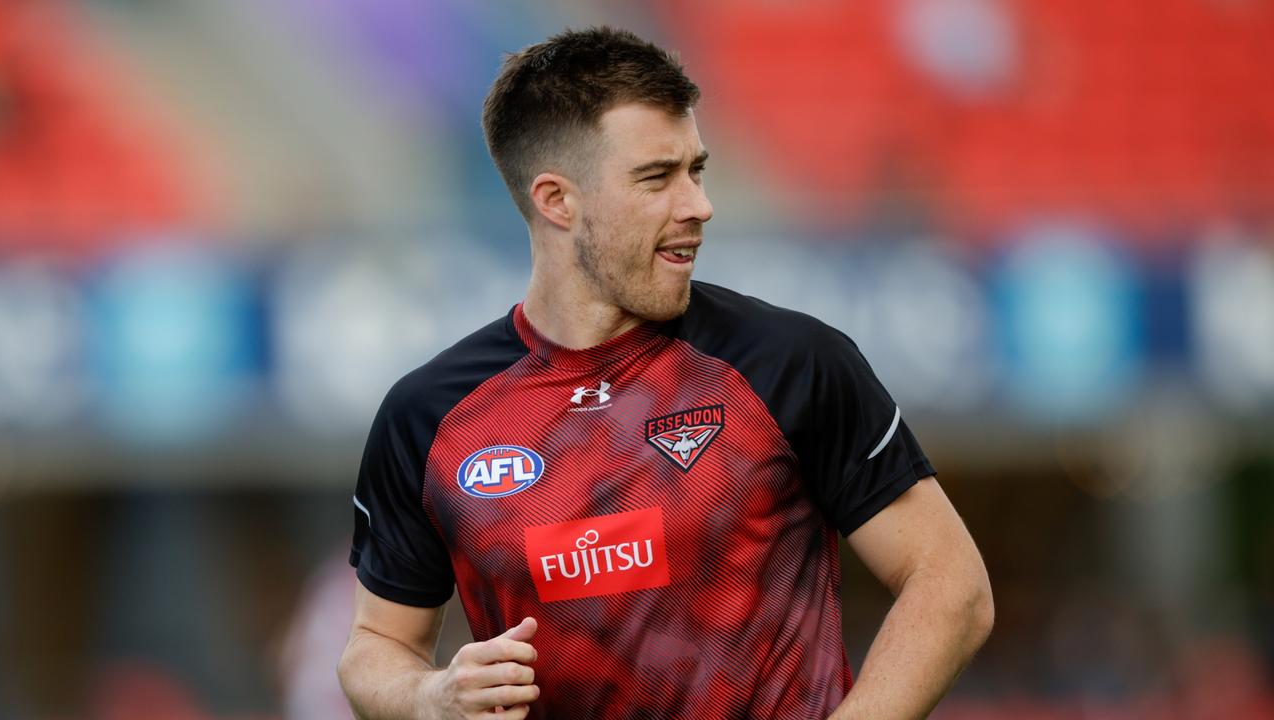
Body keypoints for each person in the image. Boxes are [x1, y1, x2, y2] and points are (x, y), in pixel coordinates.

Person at [338, 26, 993, 720]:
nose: (697, 206)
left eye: (697, 170)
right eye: (657, 178)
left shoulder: (788, 363)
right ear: (558, 201)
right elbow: (377, 643)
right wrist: (429, 695)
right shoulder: (429, 416)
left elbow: (950, 585)